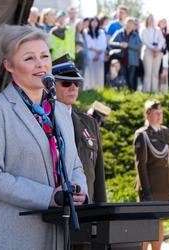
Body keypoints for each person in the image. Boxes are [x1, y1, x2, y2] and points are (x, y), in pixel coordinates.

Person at [0, 24, 88, 250]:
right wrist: (50, 197)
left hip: (55, 234)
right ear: (9, 66)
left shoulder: (61, 112)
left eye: (45, 56)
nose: (41, 64)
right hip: (9, 236)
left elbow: (76, 166)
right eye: (29, 58)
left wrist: (78, 189)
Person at [53, 54, 107, 204]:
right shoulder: (42, 120)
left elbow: (98, 175)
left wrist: (101, 211)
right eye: (66, 83)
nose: (73, 88)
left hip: (86, 210)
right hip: (56, 209)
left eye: (76, 83)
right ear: (51, 85)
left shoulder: (90, 124)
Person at [133, 99, 169, 250]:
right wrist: (146, 190)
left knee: (160, 222)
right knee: (147, 224)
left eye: (161, 113)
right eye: (156, 113)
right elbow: (141, 165)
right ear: (147, 114)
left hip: (164, 186)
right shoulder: (142, 135)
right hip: (151, 187)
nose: (159, 116)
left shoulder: (165, 132)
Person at [110, 17, 141, 90]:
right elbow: (111, 43)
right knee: (124, 77)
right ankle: (124, 92)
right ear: (125, 23)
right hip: (121, 58)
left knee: (131, 78)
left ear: (133, 25)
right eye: (128, 23)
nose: (130, 25)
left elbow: (138, 46)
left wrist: (128, 45)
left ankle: (131, 93)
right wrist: (120, 44)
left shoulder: (136, 35)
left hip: (132, 60)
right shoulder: (119, 32)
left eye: (131, 23)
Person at [140, 13, 165, 93]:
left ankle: (154, 90)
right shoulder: (143, 29)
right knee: (148, 72)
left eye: (152, 18)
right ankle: (146, 90)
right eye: (149, 18)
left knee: (155, 72)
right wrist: (153, 48)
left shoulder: (157, 29)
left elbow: (162, 40)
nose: (150, 20)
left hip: (157, 52)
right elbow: (144, 40)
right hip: (148, 51)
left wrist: (158, 48)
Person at [83, 17, 107, 90]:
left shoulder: (101, 32)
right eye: (92, 21)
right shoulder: (85, 32)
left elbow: (103, 44)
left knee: (99, 72)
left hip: (100, 55)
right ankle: (89, 88)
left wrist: (98, 53)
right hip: (90, 55)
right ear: (90, 22)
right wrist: (94, 51)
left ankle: (98, 88)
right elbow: (87, 44)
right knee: (89, 73)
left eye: (96, 21)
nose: (94, 23)